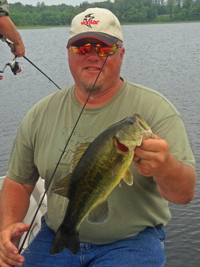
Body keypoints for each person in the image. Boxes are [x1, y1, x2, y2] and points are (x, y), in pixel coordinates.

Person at [0, 7, 196, 267]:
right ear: (68, 53)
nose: (93, 56)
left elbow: (184, 195)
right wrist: (8, 225)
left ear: (121, 53)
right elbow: (19, 181)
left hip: (133, 240)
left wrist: (166, 166)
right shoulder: (39, 114)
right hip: (57, 232)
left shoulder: (157, 110)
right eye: (82, 48)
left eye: (104, 48)